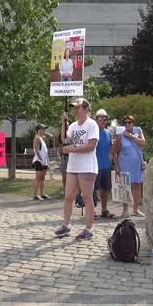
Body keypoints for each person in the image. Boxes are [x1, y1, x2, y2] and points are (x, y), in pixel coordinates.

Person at [55, 98, 99, 240]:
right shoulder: (73, 125)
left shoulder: (92, 124)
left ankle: (89, 228)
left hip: (87, 166)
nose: (75, 110)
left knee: (87, 197)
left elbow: (91, 146)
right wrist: (63, 123)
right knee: (68, 196)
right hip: (73, 166)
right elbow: (65, 140)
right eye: (74, 107)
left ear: (86, 108)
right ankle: (66, 225)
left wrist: (72, 150)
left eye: (78, 107)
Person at [113, 115, 146, 218]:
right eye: (125, 122)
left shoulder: (138, 131)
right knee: (125, 187)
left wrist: (131, 136)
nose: (127, 124)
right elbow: (114, 152)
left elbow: (142, 143)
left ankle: (135, 209)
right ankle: (125, 210)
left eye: (129, 122)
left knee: (137, 185)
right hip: (125, 163)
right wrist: (116, 166)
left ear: (133, 123)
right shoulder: (120, 136)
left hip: (136, 164)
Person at [94, 109, 115, 218]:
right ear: (96, 119)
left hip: (106, 165)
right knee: (94, 188)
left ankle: (104, 209)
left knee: (105, 188)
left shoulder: (108, 133)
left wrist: (111, 152)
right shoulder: (93, 131)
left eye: (104, 118)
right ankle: (92, 210)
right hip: (95, 165)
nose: (102, 120)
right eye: (100, 118)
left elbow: (112, 145)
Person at [32, 124, 52, 201]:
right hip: (39, 161)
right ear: (38, 130)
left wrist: (44, 133)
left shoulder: (41, 138)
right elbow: (36, 150)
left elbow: (51, 136)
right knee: (37, 178)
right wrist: (41, 160)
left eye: (44, 129)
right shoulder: (37, 138)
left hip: (44, 161)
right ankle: (35, 195)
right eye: (42, 129)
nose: (44, 130)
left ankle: (42, 194)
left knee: (42, 179)